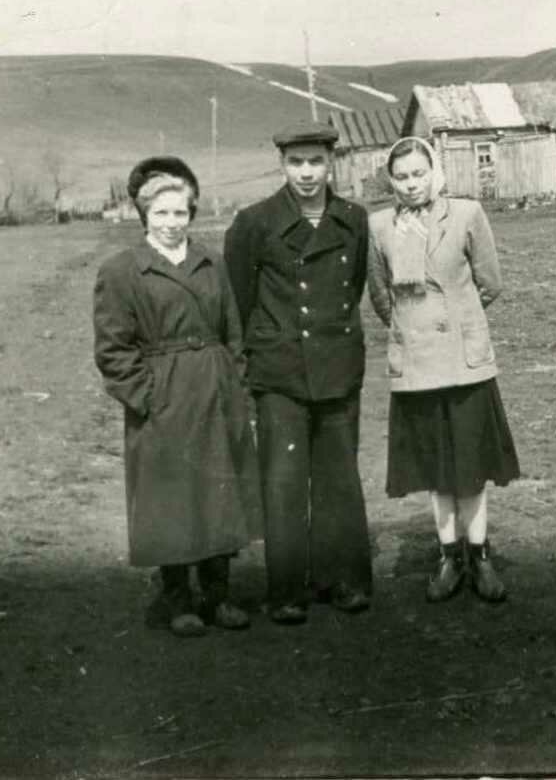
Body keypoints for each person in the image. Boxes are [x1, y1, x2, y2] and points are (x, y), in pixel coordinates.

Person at [92, 156, 259, 637]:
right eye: (161, 214)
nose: (171, 224)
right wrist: (149, 399)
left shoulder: (211, 263)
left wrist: (235, 385)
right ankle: (178, 596)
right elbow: (113, 351)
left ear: (192, 213)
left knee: (218, 493)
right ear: (144, 215)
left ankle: (219, 593)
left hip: (214, 390)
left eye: (180, 213)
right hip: (164, 401)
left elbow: (234, 333)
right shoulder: (122, 272)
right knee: (171, 497)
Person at [223, 123, 373, 623]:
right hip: (280, 370)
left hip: (337, 366)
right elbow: (238, 304)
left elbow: (350, 289)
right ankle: (286, 590)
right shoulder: (254, 222)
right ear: (281, 165)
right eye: (296, 163)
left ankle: (342, 580)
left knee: (338, 479)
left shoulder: (353, 219)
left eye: (315, 162)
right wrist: (252, 367)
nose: (306, 173)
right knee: (284, 482)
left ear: (332, 163)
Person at [367, 136, 520, 604]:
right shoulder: (379, 226)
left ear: (434, 171)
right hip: (416, 365)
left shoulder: (468, 214)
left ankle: (479, 556)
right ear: (391, 181)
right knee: (437, 468)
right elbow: (379, 296)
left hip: (464, 363)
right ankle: (448, 556)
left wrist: (456, 317)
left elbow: (489, 283)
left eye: (419, 173)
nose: (412, 184)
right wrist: (413, 328)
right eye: (402, 176)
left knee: (470, 467)